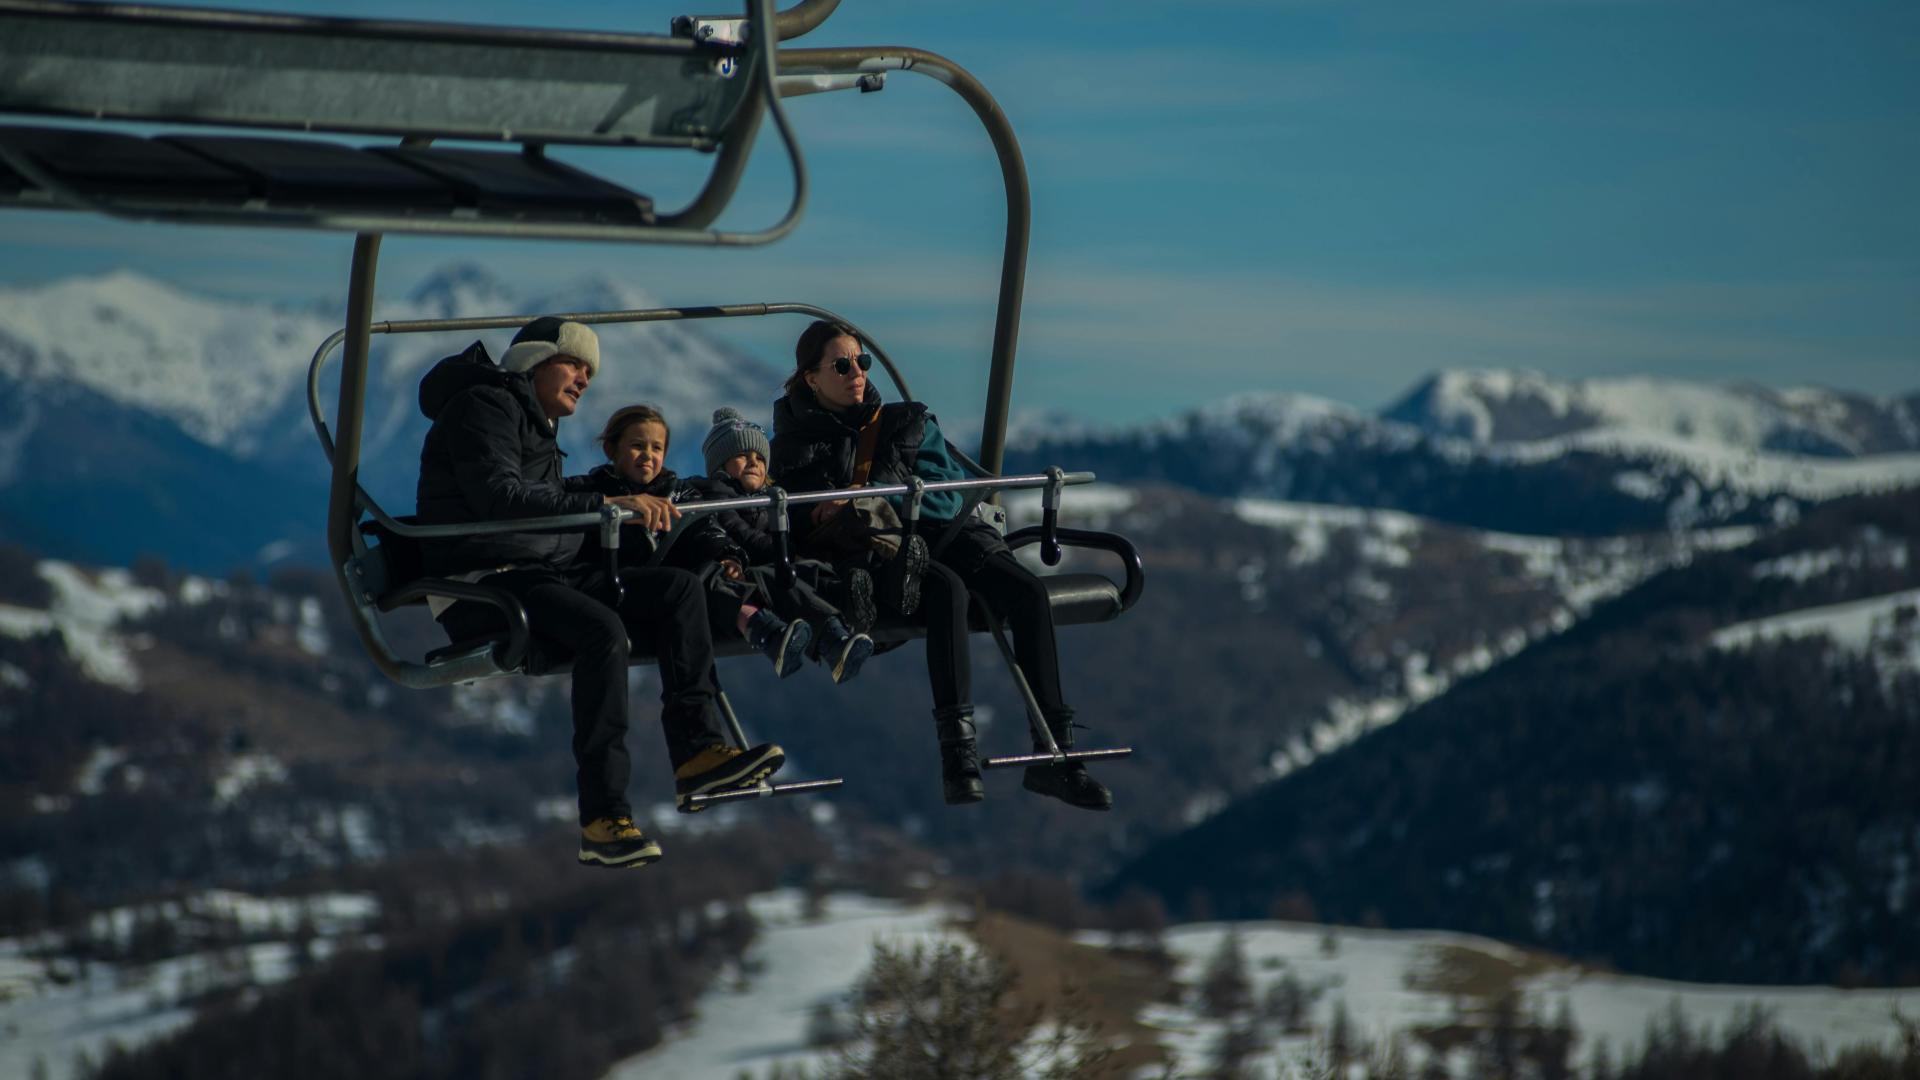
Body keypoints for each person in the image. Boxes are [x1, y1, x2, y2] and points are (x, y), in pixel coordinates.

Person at [415, 316, 785, 868]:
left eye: (591, 371)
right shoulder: (485, 407)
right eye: (575, 363)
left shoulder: (533, 420)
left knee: (679, 591)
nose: (585, 378)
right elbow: (499, 497)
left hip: (538, 570)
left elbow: (541, 508)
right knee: (602, 632)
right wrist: (610, 507)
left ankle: (698, 754)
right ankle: (603, 815)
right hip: (484, 582)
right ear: (534, 361)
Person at [769, 320, 1113, 811]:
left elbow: (949, 491)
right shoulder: (793, 449)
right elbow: (797, 524)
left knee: (1028, 593)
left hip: (946, 533)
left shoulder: (906, 422)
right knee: (946, 594)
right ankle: (959, 757)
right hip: (885, 551)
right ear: (811, 378)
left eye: (862, 362)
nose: (857, 374)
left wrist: (885, 499)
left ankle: (1056, 753)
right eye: (842, 365)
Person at [574, 403, 872, 682]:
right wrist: (743, 554)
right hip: (665, 583)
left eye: (656, 448)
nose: (647, 455)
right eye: (638, 446)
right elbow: (724, 527)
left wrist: (730, 554)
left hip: (726, 572)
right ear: (612, 449)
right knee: (747, 576)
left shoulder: (677, 492)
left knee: (782, 574)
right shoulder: (710, 493)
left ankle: (833, 634)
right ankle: (769, 629)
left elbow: (708, 532)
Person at [692, 407, 877, 681]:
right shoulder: (718, 496)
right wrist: (785, 551)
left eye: (759, 457)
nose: (753, 462)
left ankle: (839, 629)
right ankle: (820, 634)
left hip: (772, 569)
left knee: (808, 570)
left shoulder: (770, 499)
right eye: (742, 456)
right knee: (780, 576)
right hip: (743, 574)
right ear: (720, 465)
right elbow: (741, 534)